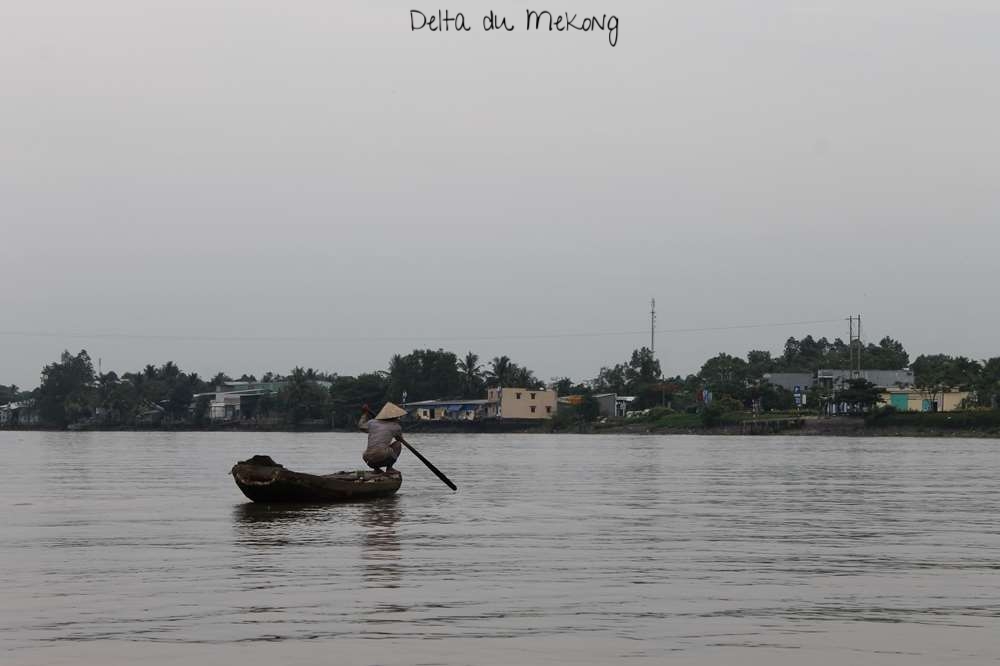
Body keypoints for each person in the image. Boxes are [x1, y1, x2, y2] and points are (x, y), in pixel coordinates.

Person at [358, 402, 407, 474]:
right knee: (398, 444)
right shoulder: (396, 427)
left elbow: (361, 426)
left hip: (368, 459)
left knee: (379, 449)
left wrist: (364, 414)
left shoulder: (372, 422)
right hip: (381, 456)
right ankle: (389, 468)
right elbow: (399, 439)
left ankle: (376, 469)